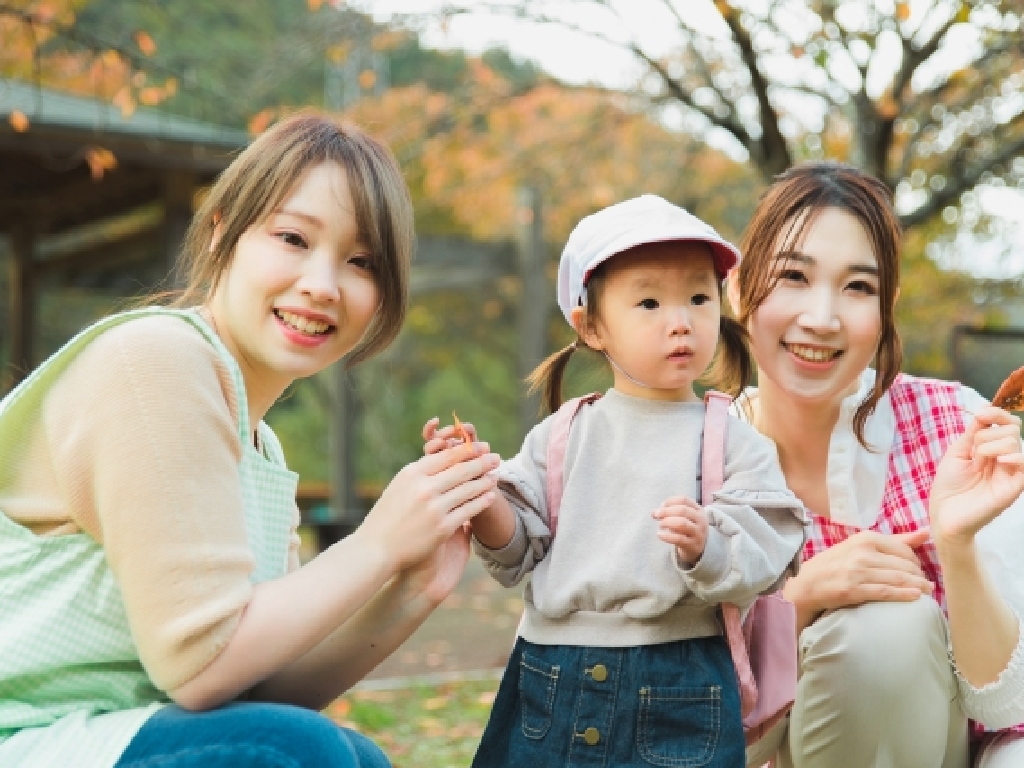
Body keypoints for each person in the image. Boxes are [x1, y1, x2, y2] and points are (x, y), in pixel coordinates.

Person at [0, 113, 500, 767]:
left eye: (361, 262)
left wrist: (413, 586)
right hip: (25, 737)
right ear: (222, 234)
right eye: (293, 238)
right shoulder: (156, 360)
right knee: (302, 752)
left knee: (348, 754)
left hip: (98, 738)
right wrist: (377, 543)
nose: (322, 285)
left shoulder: (260, 445)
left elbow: (260, 688)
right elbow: (201, 669)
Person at [425, 195, 808, 767]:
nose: (681, 321)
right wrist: (481, 494)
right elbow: (517, 547)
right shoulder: (563, 434)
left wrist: (707, 543)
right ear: (592, 328)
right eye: (649, 302)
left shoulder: (731, 438)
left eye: (699, 298)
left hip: (680, 675)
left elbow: (769, 551)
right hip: (551, 672)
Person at [729, 161, 1024, 768]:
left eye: (858, 287)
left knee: (888, 628)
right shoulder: (698, 461)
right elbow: (696, 733)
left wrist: (957, 546)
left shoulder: (953, 428)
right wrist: (799, 600)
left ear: (886, 309)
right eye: (793, 276)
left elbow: (1003, 709)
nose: (822, 318)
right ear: (737, 289)